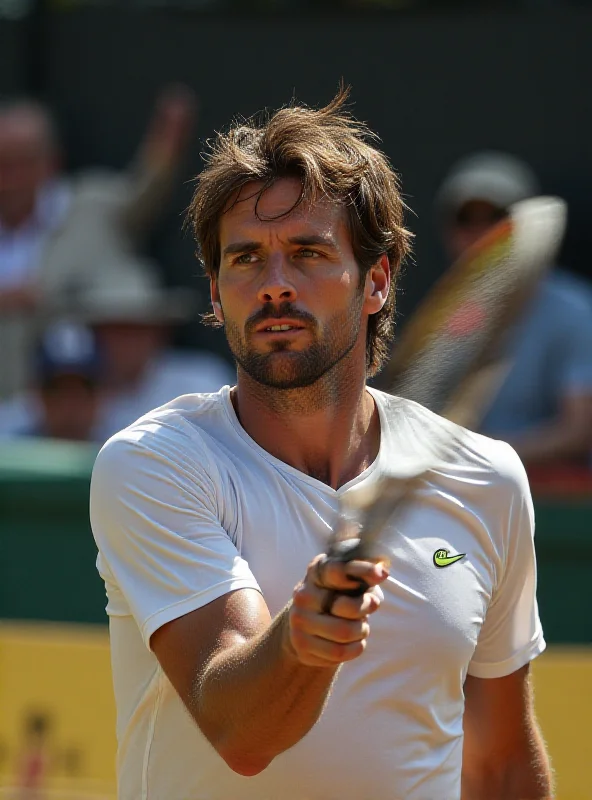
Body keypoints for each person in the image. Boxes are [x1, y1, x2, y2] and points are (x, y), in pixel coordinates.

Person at [90, 91, 552, 800]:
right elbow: (241, 732)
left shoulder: (487, 479)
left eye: (306, 253)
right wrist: (303, 641)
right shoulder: (153, 463)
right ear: (215, 293)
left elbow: (499, 768)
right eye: (245, 259)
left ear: (376, 280)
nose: (274, 285)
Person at [0, 86, 196, 399]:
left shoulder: (91, 206)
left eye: (20, 163)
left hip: (90, 406)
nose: (8, 178)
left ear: (50, 162)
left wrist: (166, 146)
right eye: (2, 164)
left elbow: (144, 194)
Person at [435, 151, 592, 468]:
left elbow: (579, 432)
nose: (482, 235)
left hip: (561, 505)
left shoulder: (573, 310)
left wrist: (482, 457)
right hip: (471, 489)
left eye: (497, 219)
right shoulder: (443, 315)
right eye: (467, 221)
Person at [78, 266, 236, 442]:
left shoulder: (201, 382)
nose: (126, 342)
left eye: (137, 330)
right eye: (115, 331)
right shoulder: (73, 389)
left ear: (159, 333)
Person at [0, 320, 103, 441]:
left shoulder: (122, 447)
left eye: (81, 393)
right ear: (38, 394)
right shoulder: (9, 445)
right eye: (57, 392)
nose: (69, 406)